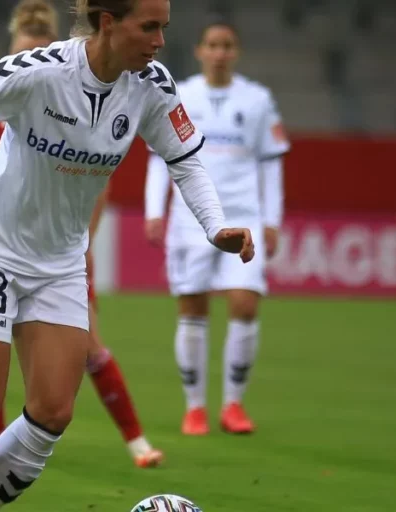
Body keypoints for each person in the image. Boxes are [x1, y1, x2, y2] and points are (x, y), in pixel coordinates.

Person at [0, 0, 255, 510]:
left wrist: (215, 226)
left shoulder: (153, 85)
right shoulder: (42, 71)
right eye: (149, 27)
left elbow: (185, 161)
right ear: (108, 22)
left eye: (164, 28)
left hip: (59, 263)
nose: (160, 41)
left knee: (52, 412)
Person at [0, 0, 163, 469]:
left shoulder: (72, 96)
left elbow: (92, 184)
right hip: (8, 243)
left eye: (33, 52)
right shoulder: (4, 106)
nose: (21, 65)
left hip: (60, 250)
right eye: (17, 54)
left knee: (88, 348)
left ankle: (137, 441)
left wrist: (84, 245)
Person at [143, 21, 288, 436]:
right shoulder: (180, 95)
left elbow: (271, 163)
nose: (219, 52)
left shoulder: (258, 99)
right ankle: (194, 409)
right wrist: (155, 210)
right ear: (200, 51)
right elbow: (160, 158)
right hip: (190, 219)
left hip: (244, 216)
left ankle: (233, 404)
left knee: (245, 304)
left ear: (236, 52)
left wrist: (272, 221)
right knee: (192, 308)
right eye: (212, 45)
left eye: (227, 45)